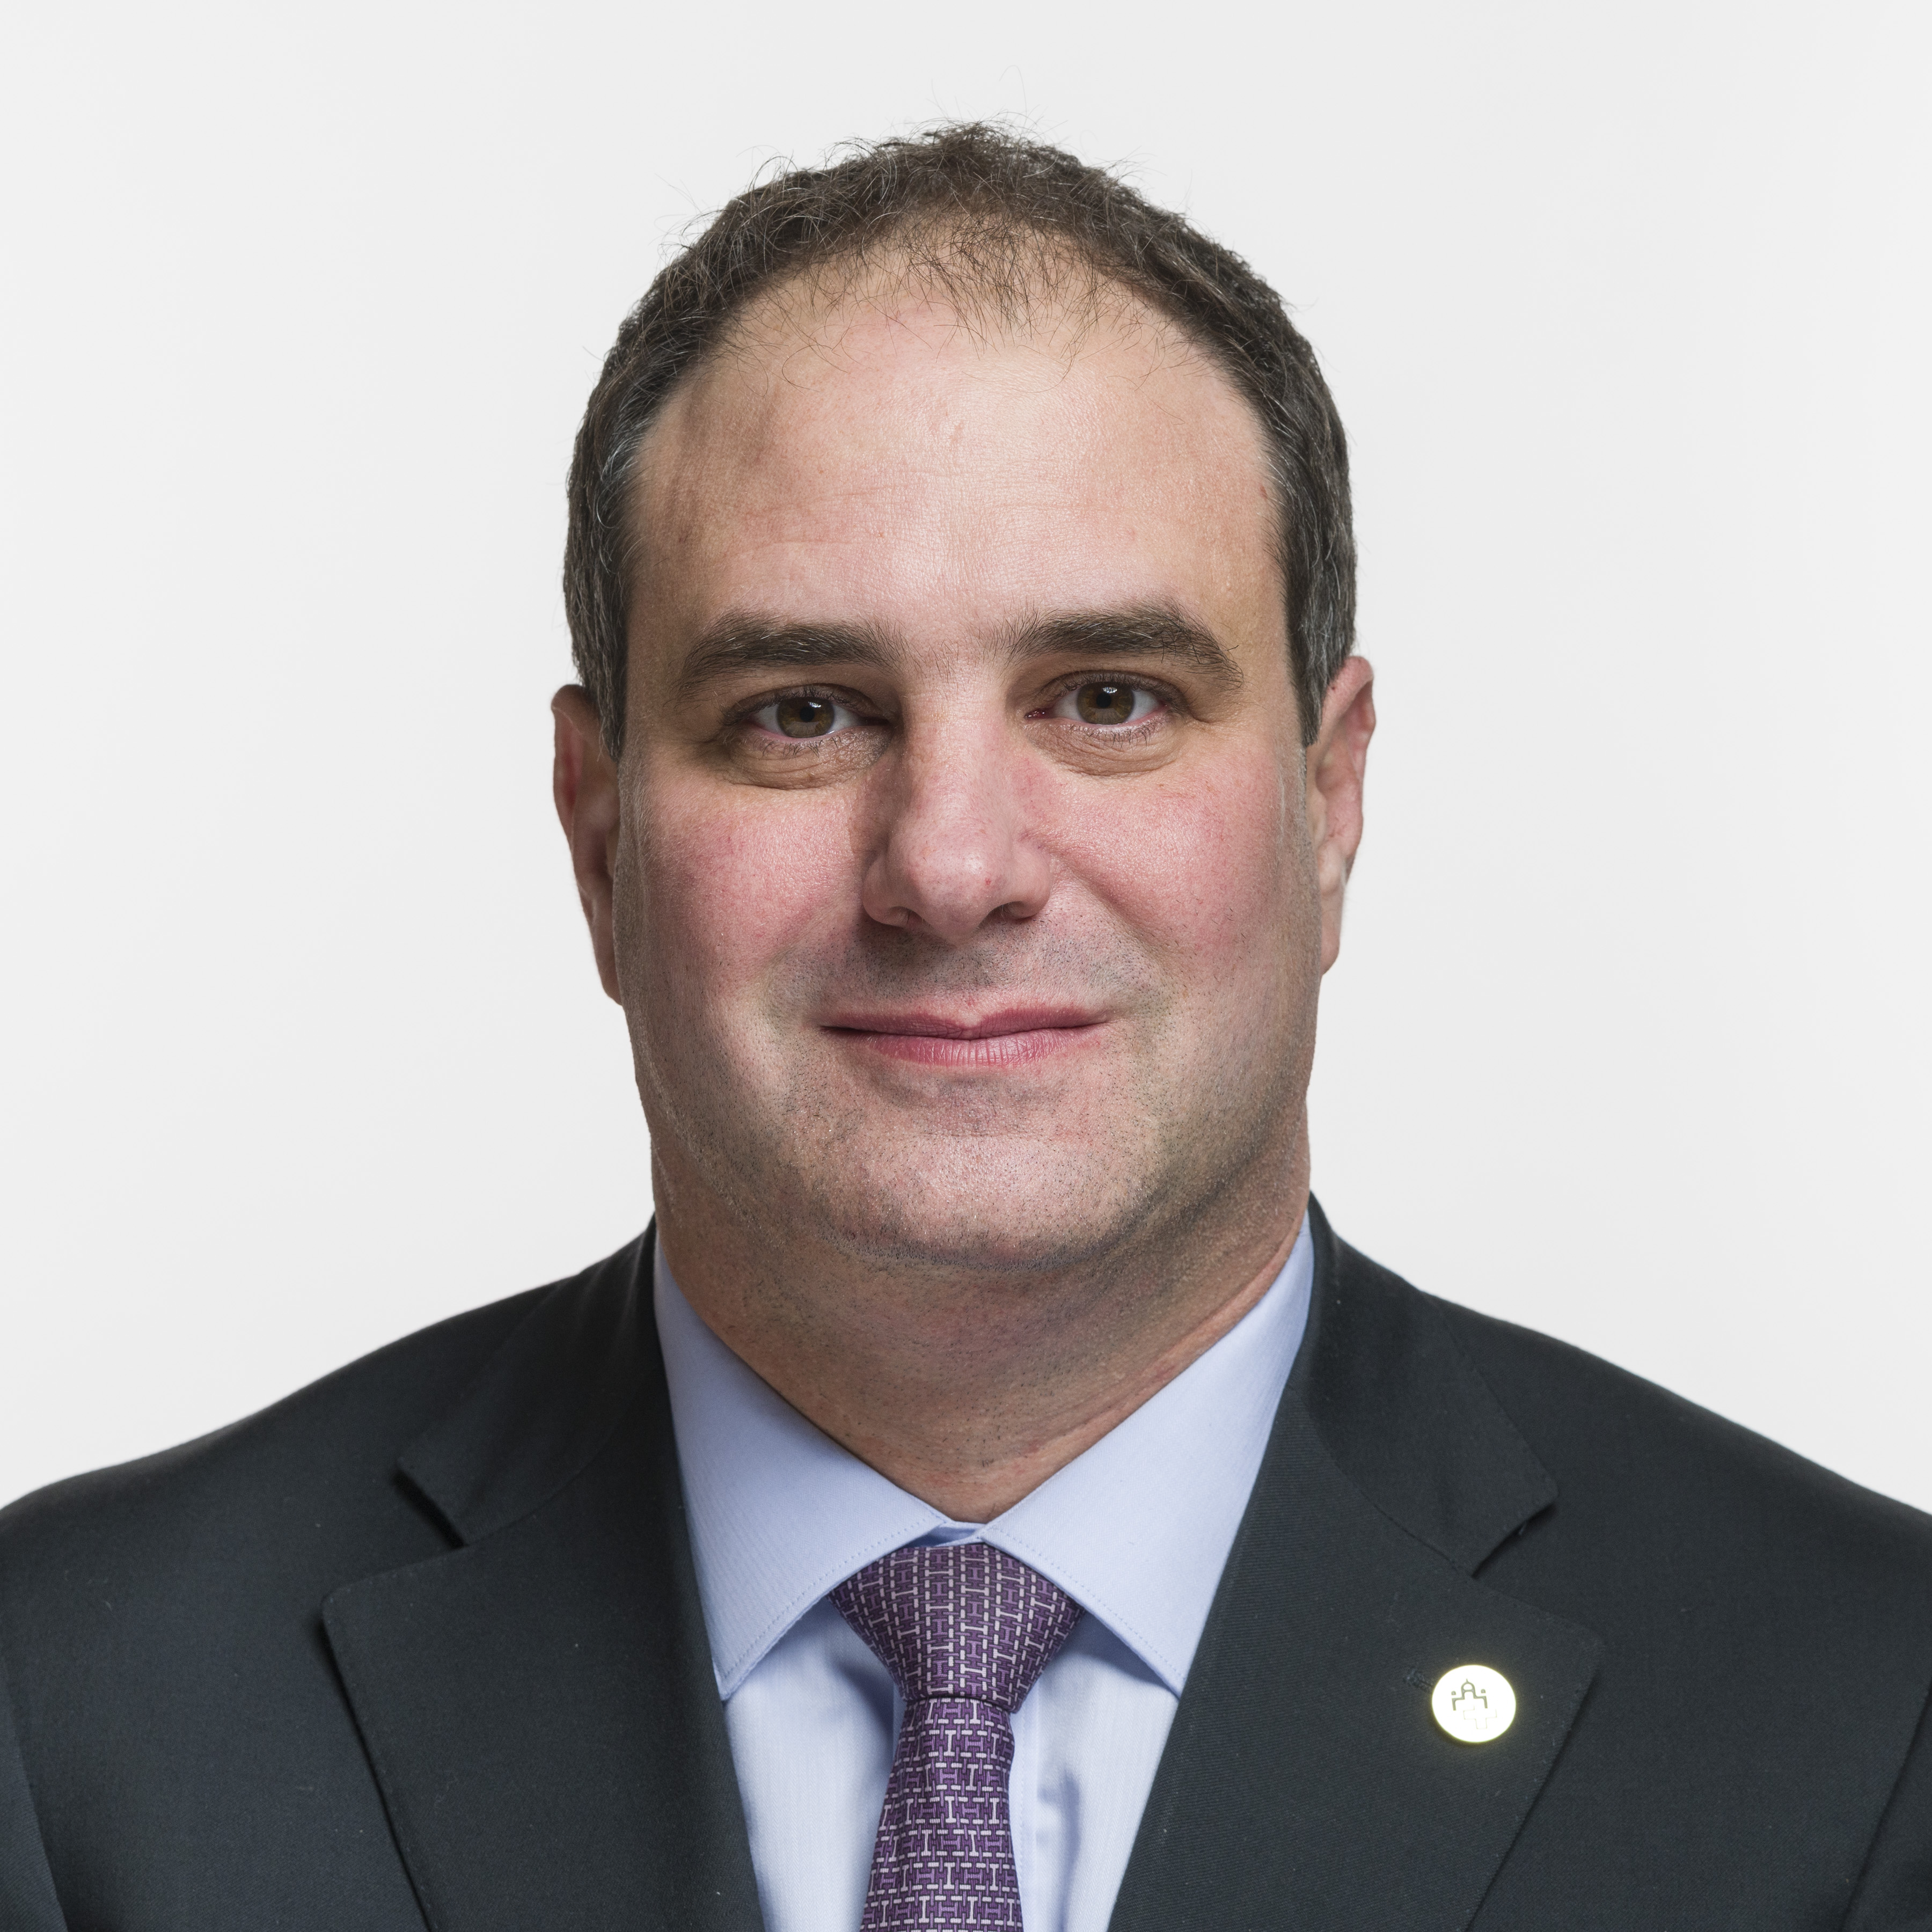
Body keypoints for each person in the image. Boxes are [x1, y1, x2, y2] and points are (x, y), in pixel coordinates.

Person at [1, 123, 1928, 1932]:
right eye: (803, 713)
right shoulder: (73, 1710)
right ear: (599, 837)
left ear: (1329, 799)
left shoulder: (1863, 1717)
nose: (950, 865)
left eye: (1107, 698)